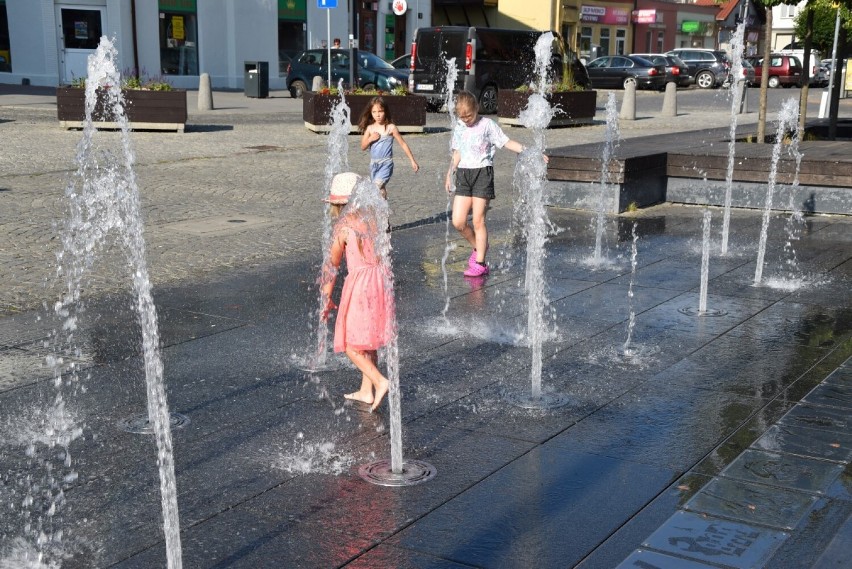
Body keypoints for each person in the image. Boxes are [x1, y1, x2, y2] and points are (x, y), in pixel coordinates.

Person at [444, 90, 547, 277]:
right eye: (462, 116)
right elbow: (457, 152)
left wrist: (531, 152)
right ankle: (479, 246)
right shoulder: (459, 126)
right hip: (464, 175)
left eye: (469, 115)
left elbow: (506, 142)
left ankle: (481, 263)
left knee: (478, 220)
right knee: (458, 221)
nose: (466, 119)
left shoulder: (487, 125)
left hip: (483, 173)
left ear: (476, 108)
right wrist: (449, 172)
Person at [321, 172, 393, 412]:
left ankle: (380, 381)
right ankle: (366, 390)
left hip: (361, 286)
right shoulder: (372, 218)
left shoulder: (343, 227)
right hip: (379, 281)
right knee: (369, 338)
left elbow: (332, 265)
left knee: (351, 345)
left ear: (338, 204)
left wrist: (327, 297)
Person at [358, 96, 419, 198]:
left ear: (385, 111)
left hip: (386, 164)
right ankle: (383, 211)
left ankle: (377, 210)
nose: (377, 115)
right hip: (374, 165)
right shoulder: (370, 128)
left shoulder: (391, 128)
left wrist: (412, 160)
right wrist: (370, 139)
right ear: (371, 112)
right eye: (374, 112)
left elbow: (403, 144)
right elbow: (363, 146)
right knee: (380, 191)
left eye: (380, 111)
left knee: (376, 187)